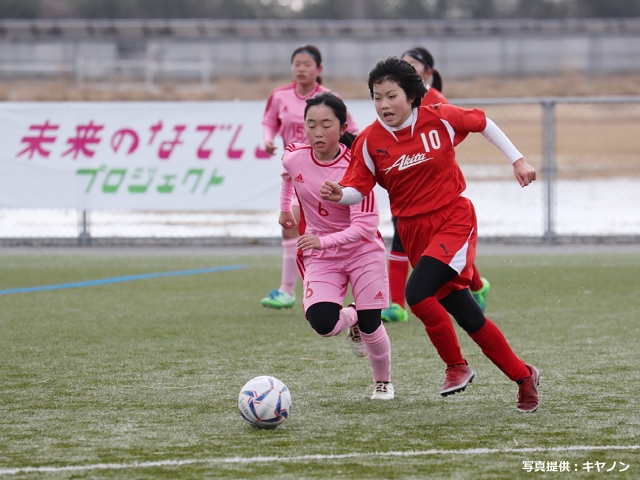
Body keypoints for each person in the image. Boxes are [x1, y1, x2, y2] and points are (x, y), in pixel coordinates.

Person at [320, 56, 539, 412]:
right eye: (377, 97)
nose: (383, 104)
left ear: (411, 96)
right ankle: (524, 376)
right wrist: (339, 194)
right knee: (469, 316)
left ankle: (456, 366)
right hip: (413, 231)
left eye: (391, 96)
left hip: (453, 219)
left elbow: (483, 122)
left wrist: (518, 160)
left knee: (417, 294)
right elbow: (357, 189)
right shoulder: (369, 141)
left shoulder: (439, 118)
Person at [279, 91, 393, 400]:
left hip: (362, 251)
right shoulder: (294, 156)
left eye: (326, 125)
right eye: (311, 124)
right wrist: (285, 209)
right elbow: (287, 174)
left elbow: (365, 227)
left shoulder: (357, 167)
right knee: (323, 324)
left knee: (371, 327)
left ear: (343, 128)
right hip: (322, 255)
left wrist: (322, 240)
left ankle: (383, 383)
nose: (317, 132)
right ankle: (353, 315)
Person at [380, 47, 490, 323]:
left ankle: (477, 285)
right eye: (403, 63)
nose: (406, 67)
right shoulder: (392, 99)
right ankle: (397, 305)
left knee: (443, 249)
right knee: (400, 240)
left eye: (413, 64)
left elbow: (447, 140)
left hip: (436, 191)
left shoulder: (438, 102)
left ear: (428, 72)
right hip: (406, 191)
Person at [260, 44, 359, 309]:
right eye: (297, 64)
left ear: (319, 69)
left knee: (336, 230)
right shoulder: (280, 95)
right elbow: (269, 121)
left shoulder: (330, 98)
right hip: (297, 175)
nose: (301, 69)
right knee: (290, 225)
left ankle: (352, 291)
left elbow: (353, 131)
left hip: (326, 175)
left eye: (307, 64)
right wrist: (268, 139)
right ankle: (288, 290)